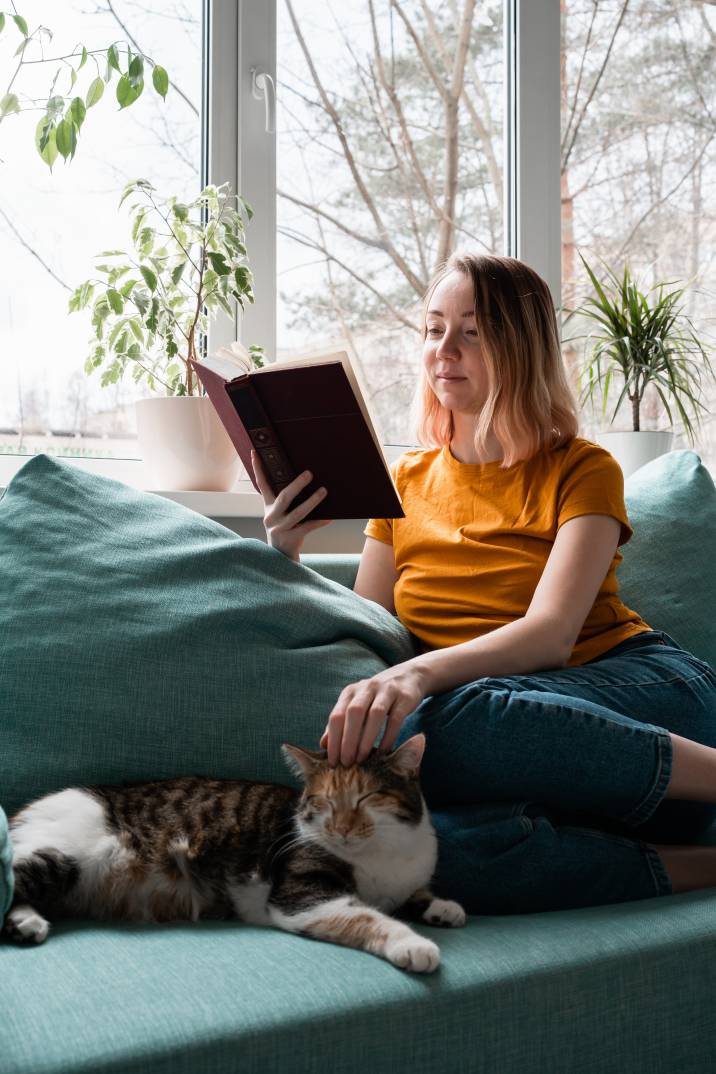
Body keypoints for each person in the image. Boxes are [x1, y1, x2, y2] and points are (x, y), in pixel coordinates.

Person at [250, 251, 716, 914]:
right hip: (554, 780)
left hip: (648, 706)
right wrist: (287, 551)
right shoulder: (405, 484)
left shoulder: (583, 469)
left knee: (457, 716)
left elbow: (552, 636)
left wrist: (418, 676)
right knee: (424, 856)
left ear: (520, 348)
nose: (446, 349)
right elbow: (368, 633)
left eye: (472, 331)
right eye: (435, 329)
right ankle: (697, 867)